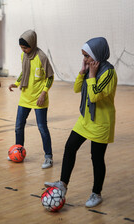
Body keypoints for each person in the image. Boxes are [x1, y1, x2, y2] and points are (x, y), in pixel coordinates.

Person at [44, 37, 117, 207]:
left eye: (87, 56)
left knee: (97, 159)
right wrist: (82, 73)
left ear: (97, 54)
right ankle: (62, 184)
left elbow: (95, 96)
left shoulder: (109, 73)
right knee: (70, 147)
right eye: (83, 55)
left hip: (101, 123)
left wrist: (91, 75)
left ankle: (96, 193)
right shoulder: (90, 69)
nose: (84, 59)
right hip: (85, 120)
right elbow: (77, 89)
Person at [8, 30, 54, 169]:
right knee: (18, 126)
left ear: (32, 44)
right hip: (25, 97)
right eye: (22, 48)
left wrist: (43, 93)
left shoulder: (42, 57)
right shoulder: (24, 55)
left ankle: (48, 157)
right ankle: (18, 151)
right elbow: (24, 71)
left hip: (39, 99)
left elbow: (50, 77)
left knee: (42, 128)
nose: (23, 50)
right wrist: (16, 83)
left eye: (25, 47)